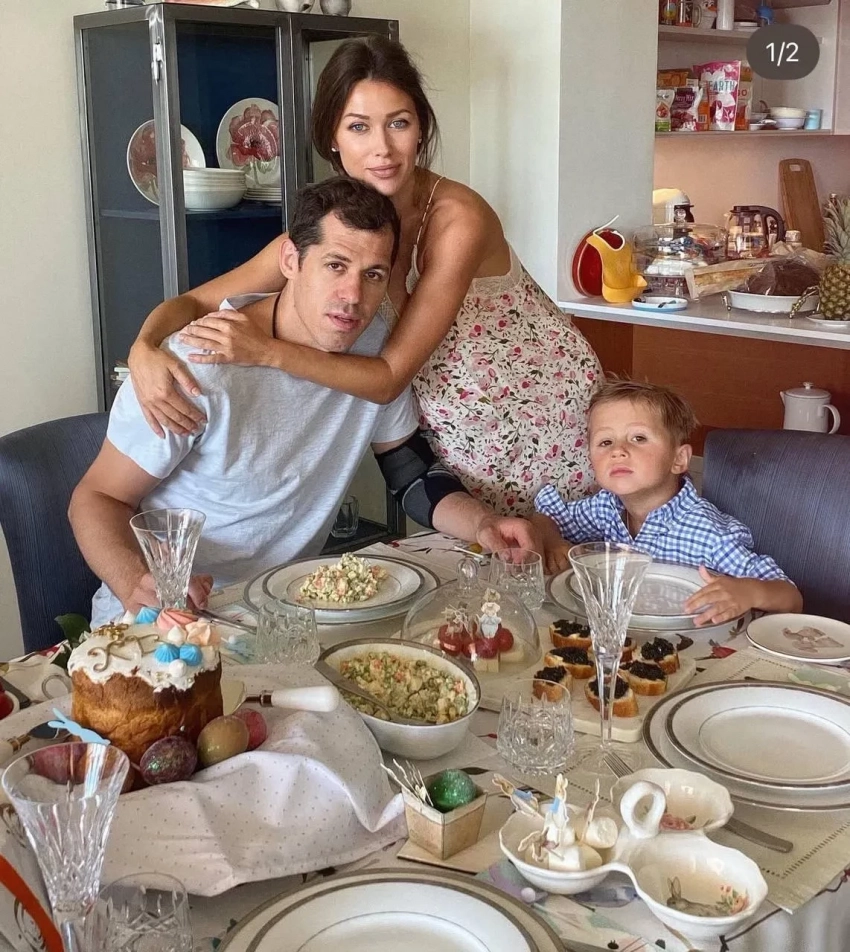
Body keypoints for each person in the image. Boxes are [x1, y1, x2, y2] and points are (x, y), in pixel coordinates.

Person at [126, 36, 601, 516]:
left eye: (399, 123)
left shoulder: (458, 220)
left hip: (546, 416)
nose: (383, 149)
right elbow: (195, 303)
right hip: (456, 442)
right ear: (332, 138)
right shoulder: (327, 233)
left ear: (420, 129)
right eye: (359, 127)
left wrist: (267, 352)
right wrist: (143, 348)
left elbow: (390, 377)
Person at [69, 179, 540, 626]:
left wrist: (483, 523)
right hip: (167, 620)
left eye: (372, 275)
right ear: (291, 260)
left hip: (288, 613)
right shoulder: (196, 364)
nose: (352, 297)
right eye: (335, 265)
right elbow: (97, 499)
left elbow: (410, 473)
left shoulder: (374, 350)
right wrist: (135, 582)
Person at [531, 379, 803, 627]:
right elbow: (545, 517)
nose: (618, 451)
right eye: (605, 442)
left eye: (638, 438)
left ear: (679, 459)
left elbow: (791, 597)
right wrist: (554, 542)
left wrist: (748, 591)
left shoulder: (708, 534)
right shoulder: (605, 508)